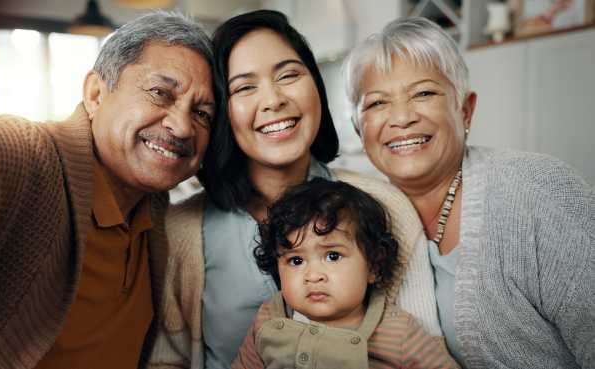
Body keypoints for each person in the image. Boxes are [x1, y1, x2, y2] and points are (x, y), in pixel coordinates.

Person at [0, 11, 215, 369]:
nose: (183, 126)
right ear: (95, 94)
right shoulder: (19, 155)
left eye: (203, 113)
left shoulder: (157, 214)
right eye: (161, 93)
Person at [145, 10, 443, 369]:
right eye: (245, 87)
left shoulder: (386, 207)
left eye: (288, 75)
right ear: (222, 110)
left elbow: (424, 346)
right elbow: (166, 360)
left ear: (316, 86)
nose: (273, 100)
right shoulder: (181, 229)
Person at [342, 16, 594, 368]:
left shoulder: (537, 191)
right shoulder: (358, 218)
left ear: (465, 110)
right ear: (359, 130)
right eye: (377, 103)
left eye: (424, 93)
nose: (401, 118)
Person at [232, 178, 459, 369]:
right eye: (296, 260)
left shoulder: (398, 333)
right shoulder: (270, 317)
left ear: (374, 266)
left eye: (333, 256)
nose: (313, 276)